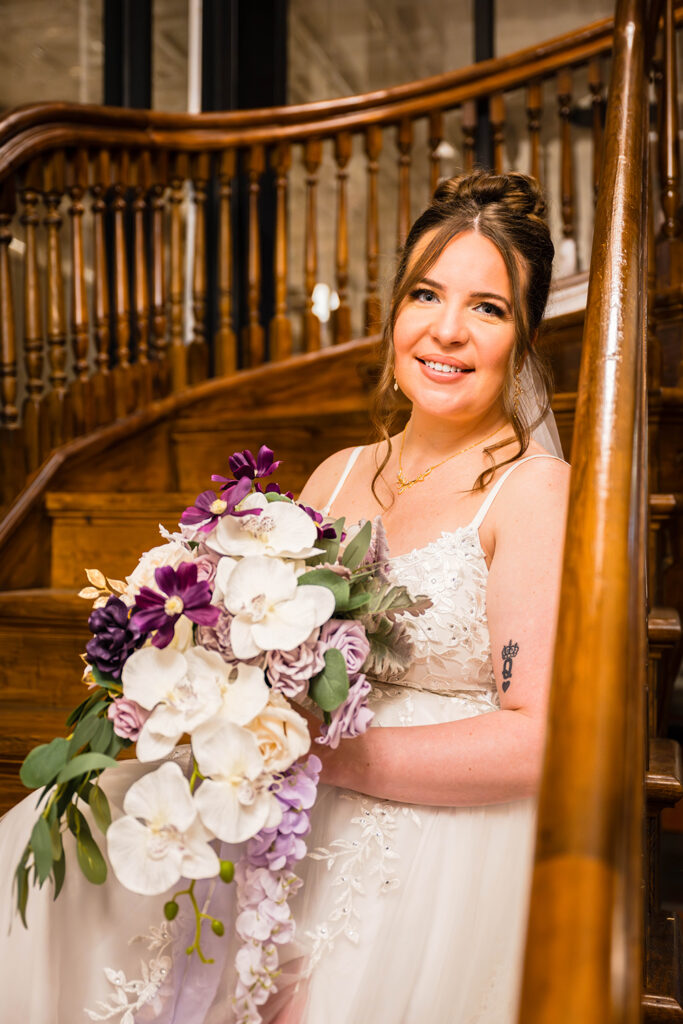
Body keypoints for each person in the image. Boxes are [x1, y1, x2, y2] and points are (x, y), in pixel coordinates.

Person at [0, 170, 569, 1024]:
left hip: (429, 840)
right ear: (392, 314)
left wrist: (317, 753)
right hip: (277, 799)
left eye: (488, 307)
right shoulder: (336, 473)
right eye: (425, 294)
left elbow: (535, 741)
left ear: (523, 340)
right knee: (67, 835)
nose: (445, 330)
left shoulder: (532, 490)